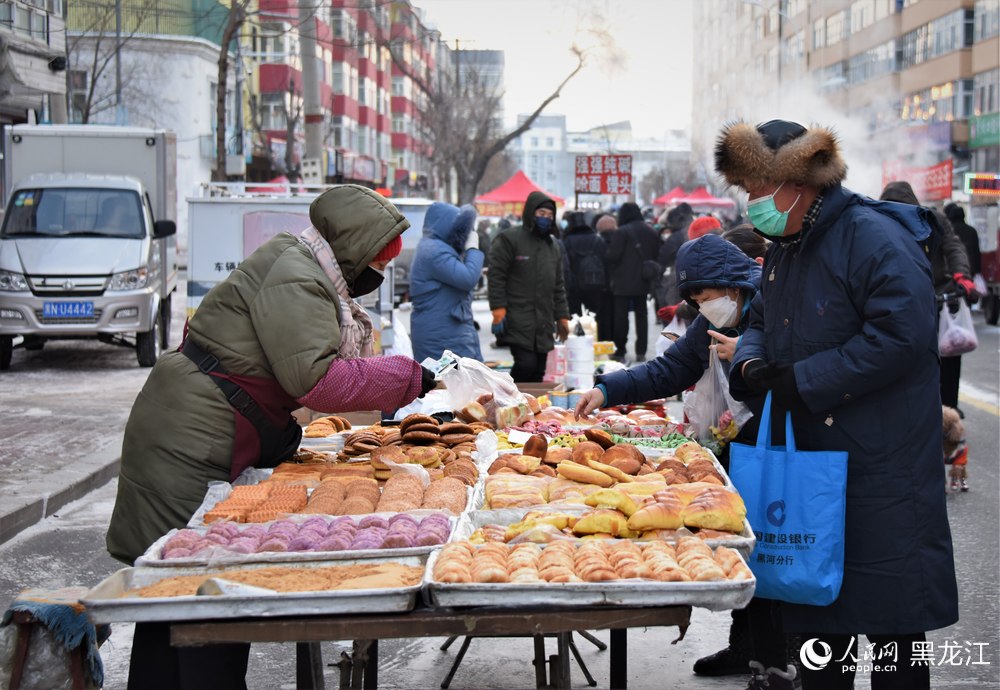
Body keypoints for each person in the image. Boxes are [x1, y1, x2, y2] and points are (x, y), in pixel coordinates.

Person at [107, 185, 436, 690]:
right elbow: (319, 379)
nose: (379, 272)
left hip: (200, 429)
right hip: (186, 441)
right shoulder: (296, 276)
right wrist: (409, 376)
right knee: (199, 595)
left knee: (176, 598)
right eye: (376, 259)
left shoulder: (303, 265)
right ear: (352, 251)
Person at [717, 119, 959, 690]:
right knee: (823, 624)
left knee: (895, 630)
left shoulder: (874, 237)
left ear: (796, 183)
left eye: (756, 190)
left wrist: (803, 380)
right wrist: (751, 363)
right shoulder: (787, 246)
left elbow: (902, 335)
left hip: (883, 463)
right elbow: (761, 320)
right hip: (818, 463)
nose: (751, 205)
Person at [879, 181, 977, 415]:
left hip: (939, 293)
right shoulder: (876, 225)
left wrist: (962, 275)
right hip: (902, 297)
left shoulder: (934, 220)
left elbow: (954, 248)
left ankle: (950, 406)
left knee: (950, 352)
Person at [488, 190, 570, 382]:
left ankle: (529, 408)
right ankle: (511, 400)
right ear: (531, 212)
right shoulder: (510, 239)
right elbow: (496, 275)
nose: (546, 219)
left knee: (539, 369)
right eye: (542, 214)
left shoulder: (553, 246)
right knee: (525, 364)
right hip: (518, 316)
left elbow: (558, 285)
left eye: (550, 216)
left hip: (543, 319)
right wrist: (498, 308)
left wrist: (562, 316)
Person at [409, 202, 484, 363]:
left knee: (464, 382)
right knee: (452, 384)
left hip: (447, 333)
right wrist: (473, 249)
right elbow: (468, 278)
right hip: (442, 337)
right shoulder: (435, 251)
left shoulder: (434, 247)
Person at [606, 201, 660, 363]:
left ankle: (621, 350)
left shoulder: (622, 232)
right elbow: (656, 254)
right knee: (642, 316)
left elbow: (613, 256)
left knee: (621, 317)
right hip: (643, 281)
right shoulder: (650, 231)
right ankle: (641, 351)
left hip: (623, 281)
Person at [562, 210, 607, 318]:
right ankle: (594, 333)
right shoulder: (597, 239)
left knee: (574, 315)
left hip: (574, 284)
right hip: (594, 281)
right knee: (594, 314)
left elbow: (565, 263)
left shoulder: (567, 240)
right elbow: (604, 259)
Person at [594, 213, 618, 342]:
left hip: (601, 283)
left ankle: (602, 339)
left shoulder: (597, 242)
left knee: (602, 314)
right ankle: (614, 341)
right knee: (615, 314)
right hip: (617, 283)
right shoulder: (619, 240)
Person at [943, 202, 982, 280]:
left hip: (954, 267)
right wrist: (977, 270)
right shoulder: (972, 230)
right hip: (971, 268)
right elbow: (976, 251)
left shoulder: (949, 230)